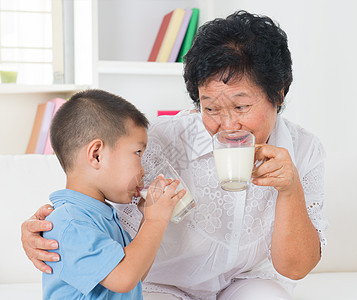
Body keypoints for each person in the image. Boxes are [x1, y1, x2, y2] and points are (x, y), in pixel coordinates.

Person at [21, 11, 327, 300]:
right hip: (163, 285)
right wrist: (45, 231)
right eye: (210, 108)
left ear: (279, 92)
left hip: (245, 283)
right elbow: (87, 180)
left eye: (241, 106)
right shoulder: (161, 139)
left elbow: (296, 268)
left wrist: (289, 189)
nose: (228, 125)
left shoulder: (304, 149)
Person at [39, 89, 186, 299]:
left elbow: (136, 275)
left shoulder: (102, 215)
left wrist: (147, 219)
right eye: (137, 153)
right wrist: (156, 219)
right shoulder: (70, 223)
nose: (143, 170)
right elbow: (124, 278)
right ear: (96, 155)